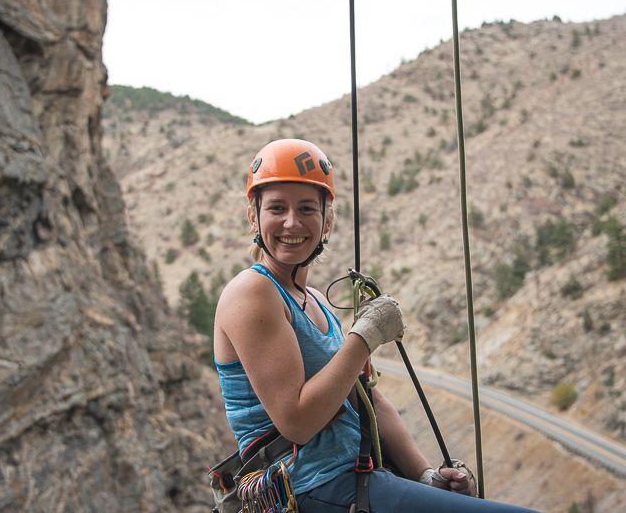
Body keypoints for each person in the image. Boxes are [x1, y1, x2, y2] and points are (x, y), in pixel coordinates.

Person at [213, 139, 539, 512]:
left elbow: (367, 399)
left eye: (306, 208)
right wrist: (364, 337)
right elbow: (297, 422)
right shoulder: (252, 292)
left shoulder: (316, 300)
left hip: (355, 481)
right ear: (254, 217)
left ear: (327, 220)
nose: (292, 222)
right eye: (276, 208)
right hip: (311, 488)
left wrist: (424, 475)